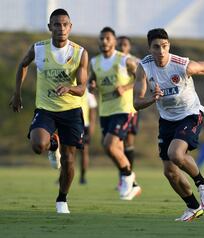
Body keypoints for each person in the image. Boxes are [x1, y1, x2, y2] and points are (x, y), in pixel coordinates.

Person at [133, 28, 204, 222]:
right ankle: (193, 206)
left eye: (164, 46)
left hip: (190, 114)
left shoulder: (182, 65)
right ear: (150, 49)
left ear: (168, 46)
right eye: (156, 47)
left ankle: (202, 183)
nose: (161, 51)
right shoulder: (143, 67)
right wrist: (151, 99)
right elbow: (136, 103)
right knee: (169, 171)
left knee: (176, 154)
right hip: (167, 120)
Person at [9, 8, 88, 213]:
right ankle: (53, 144)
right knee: (37, 145)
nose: (61, 28)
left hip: (71, 111)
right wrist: (16, 94)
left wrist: (69, 88)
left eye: (64, 24)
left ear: (70, 27)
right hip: (45, 109)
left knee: (70, 159)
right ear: (49, 27)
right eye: (56, 24)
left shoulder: (80, 53)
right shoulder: (38, 48)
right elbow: (23, 65)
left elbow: (82, 88)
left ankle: (62, 199)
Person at [88, 27, 140, 200]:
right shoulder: (94, 62)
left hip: (124, 109)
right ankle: (132, 181)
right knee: (114, 149)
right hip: (106, 111)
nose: (104, 41)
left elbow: (141, 78)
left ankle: (127, 176)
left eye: (107, 38)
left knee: (109, 145)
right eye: (101, 38)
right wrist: (91, 86)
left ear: (114, 41)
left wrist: (125, 87)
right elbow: (91, 82)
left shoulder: (125, 60)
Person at [116, 36, 140, 184]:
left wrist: (125, 88)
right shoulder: (111, 60)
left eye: (124, 45)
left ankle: (128, 178)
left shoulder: (135, 62)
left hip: (130, 108)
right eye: (119, 45)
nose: (122, 47)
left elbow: (140, 81)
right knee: (115, 145)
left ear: (129, 47)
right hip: (113, 108)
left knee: (128, 143)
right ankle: (125, 177)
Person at [79, 88, 97, 184]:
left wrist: (91, 130)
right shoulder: (69, 88)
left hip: (84, 126)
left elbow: (93, 114)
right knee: (67, 151)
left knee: (84, 152)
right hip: (70, 124)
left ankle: (83, 176)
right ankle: (62, 176)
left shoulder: (88, 94)